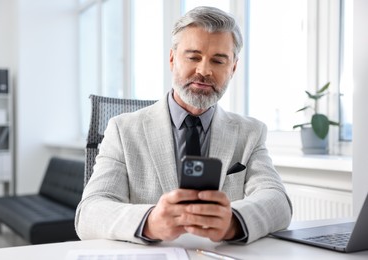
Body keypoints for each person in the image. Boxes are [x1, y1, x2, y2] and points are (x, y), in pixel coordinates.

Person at [75, 6, 292, 244]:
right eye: (193, 57)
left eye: (218, 60)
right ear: (172, 59)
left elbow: (278, 201)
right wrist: (150, 222)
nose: (204, 70)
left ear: (233, 68)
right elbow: (89, 213)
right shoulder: (123, 129)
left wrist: (233, 222)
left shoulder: (250, 133)